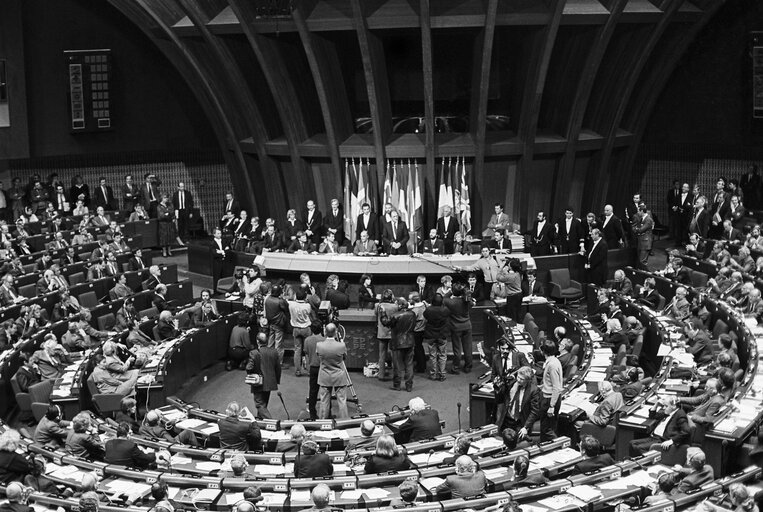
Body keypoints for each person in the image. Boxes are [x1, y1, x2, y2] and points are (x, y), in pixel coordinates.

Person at [380, 297, 416, 392]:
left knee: (397, 365)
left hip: (397, 343)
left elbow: (386, 323)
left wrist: (383, 313)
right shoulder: (412, 314)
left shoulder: (395, 316)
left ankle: (397, 385)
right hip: (410, 341)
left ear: (400, 305)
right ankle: (409, 386)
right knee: (409, 364)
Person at [316, 323, 350, 419]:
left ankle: (322, 424)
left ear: (325, 332)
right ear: (336, 332)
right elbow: (344, 358)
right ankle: (344, 422)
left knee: (324, 402)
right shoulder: (341, 345)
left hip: (325, 376)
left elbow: (319, 358)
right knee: (342, 401)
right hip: (339, 376)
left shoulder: (319, 345)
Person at [246, 333, 281, 419]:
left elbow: (248, 367)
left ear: (257, 341)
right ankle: (261, 422)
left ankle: (271, 422)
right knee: (264, 404)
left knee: (259, 404)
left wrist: (251, 373)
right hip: (270, 382)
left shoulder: (254, 353)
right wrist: (276, 380)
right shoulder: (274, 352)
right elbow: (278, 368)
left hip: (258, 382)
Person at [499, 366, 538, 438]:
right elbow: (501, 398)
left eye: (522, 379)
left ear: (528, 380)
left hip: (520, 423)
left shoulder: (533, 390)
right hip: (507, 420)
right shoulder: (511, 384)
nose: (518, 380)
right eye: (518, 377)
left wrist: (526, 427)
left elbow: (534, 411)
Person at [539, 339, 562, 442]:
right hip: (551, 397)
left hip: (549, 399)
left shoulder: (552, 365)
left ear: (543, 351)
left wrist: (551, 406)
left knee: (546, 429)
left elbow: (556, 387)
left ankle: (560, 446)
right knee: (551, 427)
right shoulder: (554, 360)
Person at [289, 287, 313, 376]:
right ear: (305, 296)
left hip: (296, 329)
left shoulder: (291, 305)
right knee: (307, 350)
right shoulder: (307, 306)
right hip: (306, 328)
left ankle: (297, 371)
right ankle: (309, 371)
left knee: (297, 350)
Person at [264, 284, 289, 365]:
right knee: (278, 345)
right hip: (278, 325)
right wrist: (282, 298)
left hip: (270, 323)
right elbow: (286, 306)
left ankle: (268, 360)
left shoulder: (267, 299)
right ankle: (278, 363)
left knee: (270, 343)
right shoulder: (280, 301)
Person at [303, 322, 324, 420]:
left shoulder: (307, 340)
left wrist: (307, 366)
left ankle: (312, 414)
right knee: (326, 391)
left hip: (313, 368)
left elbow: (306, 354)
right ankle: (327, 413)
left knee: (313, 392)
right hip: (324, 368)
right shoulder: (324, 340)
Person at [375, 289, 397, 382]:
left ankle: (381, 374)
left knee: (382, 354)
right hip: (392, 332)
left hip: (382, 332)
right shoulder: (395, 306)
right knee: (394, 354)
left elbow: (376, 315)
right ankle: (394, 375)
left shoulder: (378, 306)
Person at [156, 193, 176, 258]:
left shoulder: (169, 205)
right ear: (162, 198)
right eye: (165, 198)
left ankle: (169, 251)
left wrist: (168, 214)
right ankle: (164, 251)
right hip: (163, 224)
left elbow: (172, 212)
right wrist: (167, 214)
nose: (166, 199)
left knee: (170, 236)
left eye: (167, 198)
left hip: (169, 223)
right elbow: (161, 216)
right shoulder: (159, 206)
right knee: (164, 237)